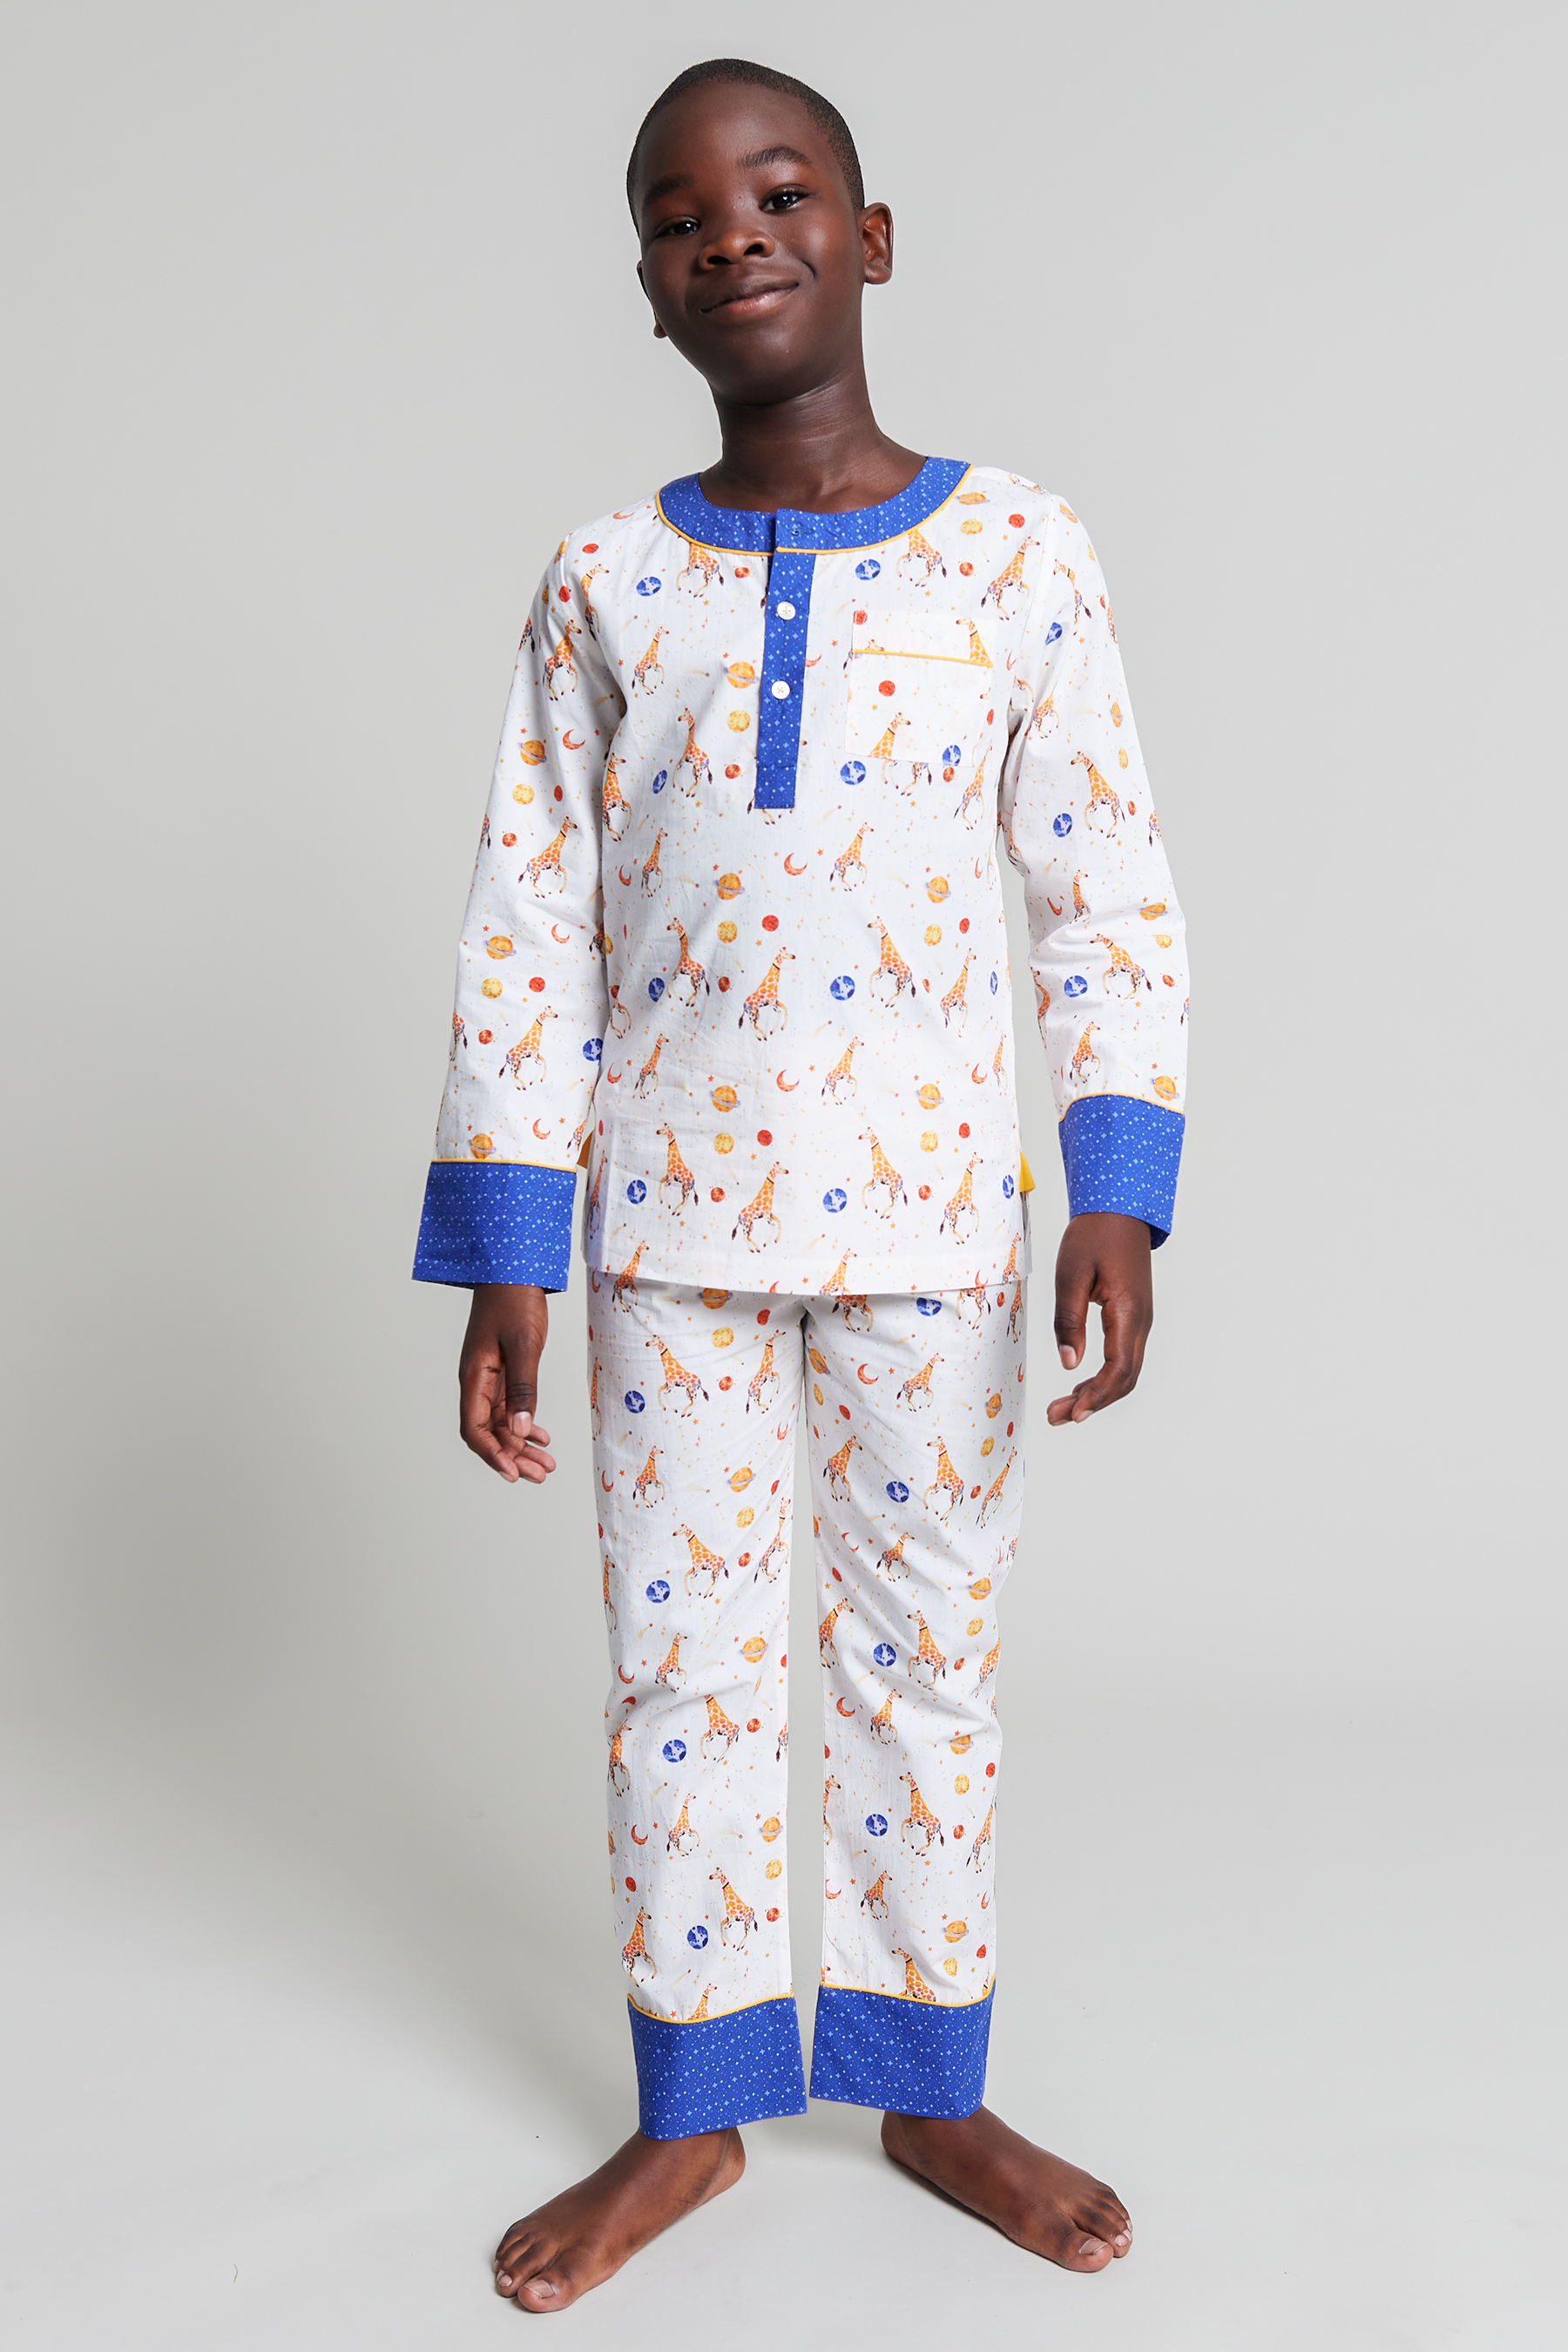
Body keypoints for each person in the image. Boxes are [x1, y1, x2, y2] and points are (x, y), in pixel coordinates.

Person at [412, 57, 1187, 2311]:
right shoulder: (604, 583)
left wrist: (1115, 1180)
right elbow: (528, 922)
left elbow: (1104, 885)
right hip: (666, 1240)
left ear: (872, 236)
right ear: (647, 286)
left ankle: (931, 2084)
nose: (730, 233)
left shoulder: (1016, 553)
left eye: (777, 191)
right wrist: (511, 1243)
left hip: (934, 1228)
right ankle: (694, 2110)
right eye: (677, 215)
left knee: (929, 1656)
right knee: (681, 1677)